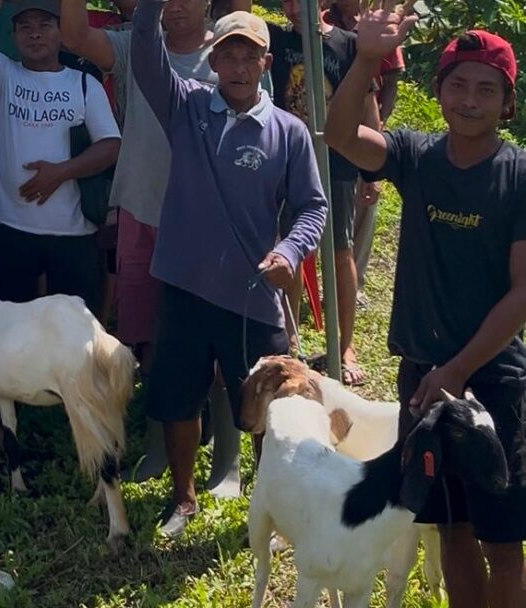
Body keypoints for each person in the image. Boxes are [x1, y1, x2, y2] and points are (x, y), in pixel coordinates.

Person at [325, 5, 526, 607]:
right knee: (450, 528)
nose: (470, 100)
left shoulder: (518, 176)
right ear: (438, 91)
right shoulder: (417, 156)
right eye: (458, 85)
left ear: (507, 103)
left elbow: (523, 293)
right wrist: (365, 58)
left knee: (503, 540)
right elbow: (337, 134)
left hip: (491, 382)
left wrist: (458, 372)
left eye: (486, 89)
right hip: (421, 378)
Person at [131, 5, 327, 538]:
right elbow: (144, 51)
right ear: (212, 59)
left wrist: (290, 252)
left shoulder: (288, 132)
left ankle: (270, 504)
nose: (238, 66)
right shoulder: (186, 105)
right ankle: (184, 498)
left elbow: (314, 207)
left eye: (250, 57)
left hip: (252, 295)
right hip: (185, 285)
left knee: (271, 406)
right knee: (176, 396)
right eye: (229, 55)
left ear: (266, 63)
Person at [61, 0, 264, 491]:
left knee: (217, 342)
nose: (175, 6)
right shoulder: (136, 44)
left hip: (210, 222)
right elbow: (73, 33)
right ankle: (157, 448)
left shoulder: (235, 51)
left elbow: (262, 132)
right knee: (152, 337)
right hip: (144, 210)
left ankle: (227, 462)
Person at [0, 0, 119, 315]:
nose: (35, 34)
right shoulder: (5, 75)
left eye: (44, 25)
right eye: (26, 27)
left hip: (74, 235)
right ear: (14, 34)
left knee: (74, 338)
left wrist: (61, 172)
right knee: (5, 331)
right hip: (11, 231)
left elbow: (111, 145)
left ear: (61, 32)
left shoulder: (84, 83)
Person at [267, 0, 380, 386]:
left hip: (338, 161)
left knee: (339, 250)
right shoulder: (275, 40)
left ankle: (344, 346)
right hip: (286, 162)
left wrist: (372, 168)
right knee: (288, 248)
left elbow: (368, 103)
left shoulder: (347, 45)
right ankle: (291, 340)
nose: (294, 7)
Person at [322, 0, 404, 308]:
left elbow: (391, 81)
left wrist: (377, 128)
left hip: (366, 129)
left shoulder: (378, 20)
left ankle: (353, 287)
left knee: (361, 212)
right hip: (334, 133)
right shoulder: (323, 19)